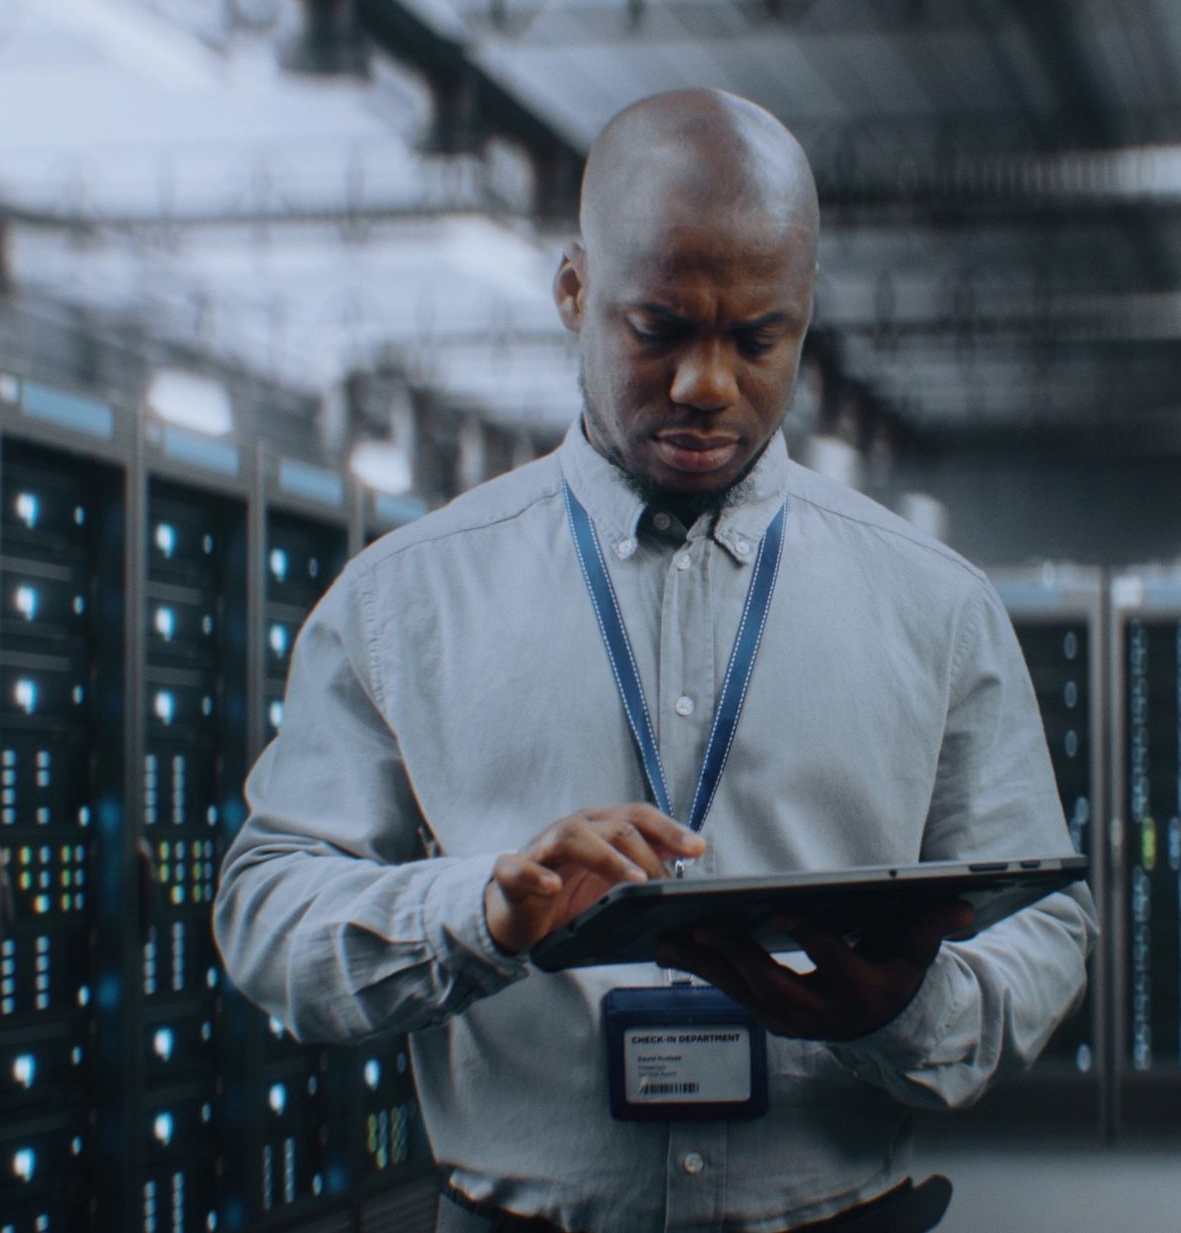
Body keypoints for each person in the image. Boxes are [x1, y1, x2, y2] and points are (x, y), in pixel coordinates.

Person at [213, 87, 1094, 1233]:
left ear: (805, 314)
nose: (706, 385)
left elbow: (1044, 925)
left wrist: (910, 1010)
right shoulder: (405, 599)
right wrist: (480, 909)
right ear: (574, 290)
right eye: (660, 329)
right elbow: (266, 908)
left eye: (756, 337)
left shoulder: (933, 605)